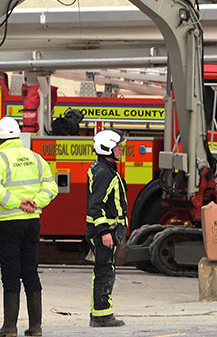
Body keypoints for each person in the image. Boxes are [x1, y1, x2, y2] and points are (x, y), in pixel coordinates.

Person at [0, 117, 57, 337]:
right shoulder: (35, 157)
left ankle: (9, 327)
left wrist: (17, 203)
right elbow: (51, 187)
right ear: (18, 136)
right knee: (30, 271)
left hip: (9, 223)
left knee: (11, 273)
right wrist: (36, 202)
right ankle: (35, 327)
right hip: (32, 222)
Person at [86, 129, 128, 328]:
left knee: (104, 270)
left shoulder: (104, 169)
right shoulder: (104, 173)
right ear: (106, 148)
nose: (120, 149)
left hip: (106, 230)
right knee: (104, 272)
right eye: (117, 146)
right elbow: (95, 206)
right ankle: (101, 316)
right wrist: (104, 232)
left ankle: (101, 314)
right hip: (104, 231)